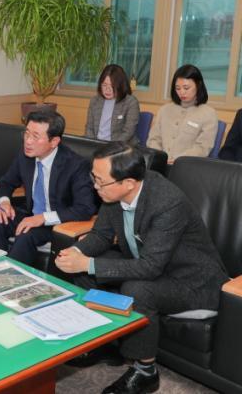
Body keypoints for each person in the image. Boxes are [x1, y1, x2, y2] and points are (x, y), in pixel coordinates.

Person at [56, 142, 228, 394]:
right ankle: (107, 344)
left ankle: (146, 372)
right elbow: (101, 235)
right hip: (156, 267)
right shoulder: (113, 194)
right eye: (94, 178)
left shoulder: (167, 203)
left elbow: (149, 267)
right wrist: (78, 252)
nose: (95, 186)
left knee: (136, 288)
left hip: (193, 282)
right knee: (85, 271)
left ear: (128, 183)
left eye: (100, 181)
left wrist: (88, 263)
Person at [0, 110, 97, 266]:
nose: (28, 141)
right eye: (26, 134)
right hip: (30, 214)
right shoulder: (25, 156)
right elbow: (6, 182)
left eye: (35, 137)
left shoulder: (75, 165)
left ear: (54, 141)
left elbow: (84, 208)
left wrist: (43, 218)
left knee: (26, 234)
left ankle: (9, 276)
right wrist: (4, 202)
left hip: (59, 223)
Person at [147, 64, 218, 162]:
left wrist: (177, 160)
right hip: (159, 163)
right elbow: (154, 139)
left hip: (187, 165)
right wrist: (160, 158)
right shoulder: (164, 110)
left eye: (186, 88)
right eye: (178, 88)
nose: (182, 92)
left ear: (198, 85)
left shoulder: (208, 114)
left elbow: (202, 147)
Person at [84, 64, 140, 143]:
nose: (107, 90)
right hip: (96, 145)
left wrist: (110, 147)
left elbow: (128, 133)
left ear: (120, 86)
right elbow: (89, 128)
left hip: (120, 146)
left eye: (112, 86)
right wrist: (92, 144)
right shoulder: (95, 101)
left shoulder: (131, 102)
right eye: (104, 85)